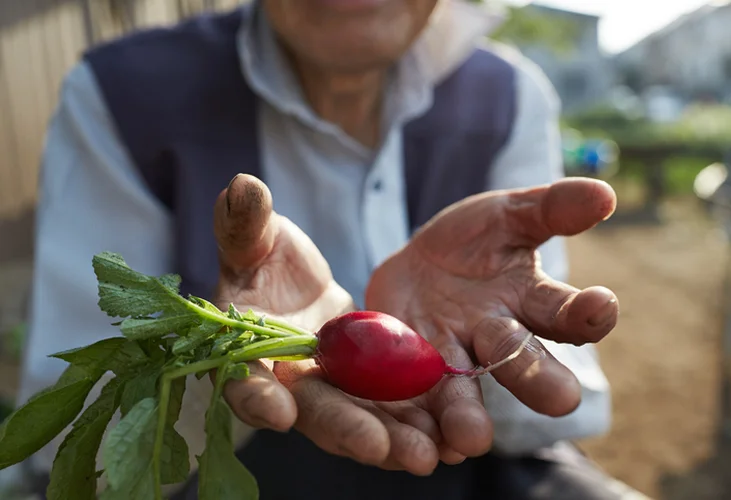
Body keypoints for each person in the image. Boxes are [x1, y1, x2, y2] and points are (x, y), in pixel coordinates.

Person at [18, 0, 644, 498]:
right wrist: (220, 372)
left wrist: (490, 344)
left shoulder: (508, 95)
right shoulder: (123, 95)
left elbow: (558, 412)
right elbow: (84, 458)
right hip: (250, 461)